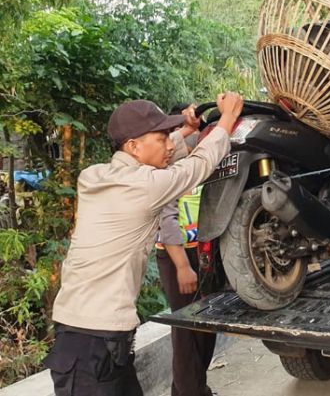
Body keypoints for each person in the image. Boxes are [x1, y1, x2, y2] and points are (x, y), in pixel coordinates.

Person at [43, 92, 243, 395]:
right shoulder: (144, 186)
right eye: (161, 138)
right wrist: (226, 120)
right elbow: (197, 166)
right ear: (134, 146)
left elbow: (158, 159)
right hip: (90, 347)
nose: (169, 144)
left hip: (98, 341)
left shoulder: (93, 177)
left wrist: (186, 130)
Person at [155, 103, 216, 396]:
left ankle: (194, 388)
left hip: (199, 252)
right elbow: (166, 218)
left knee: (205, 326)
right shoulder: (168, 171)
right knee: (187, 330)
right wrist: (182, 265)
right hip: (177, 255)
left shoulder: (197, 168)